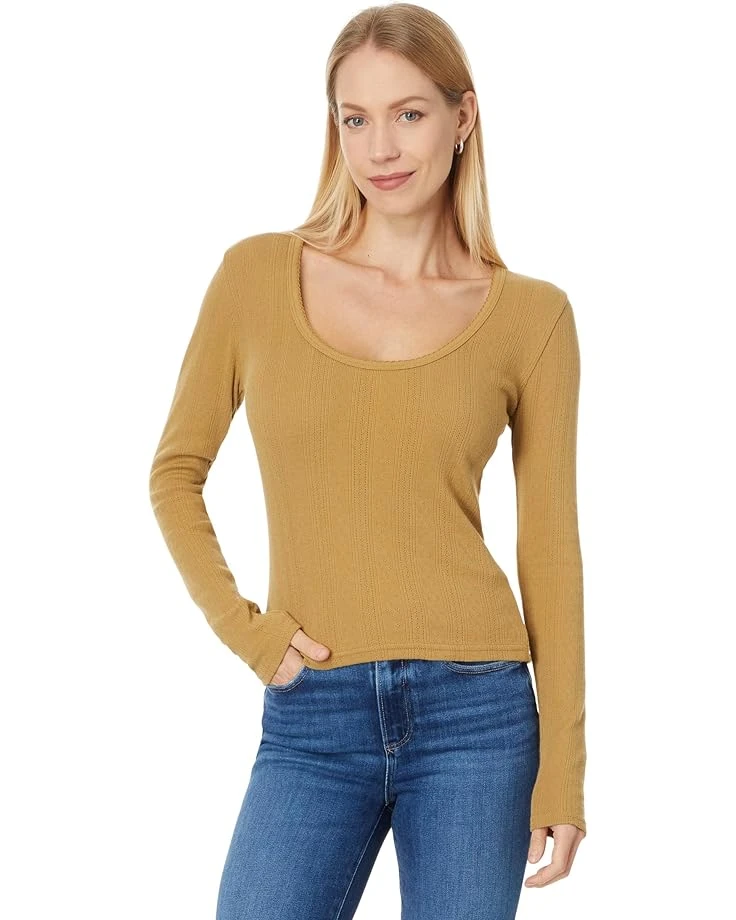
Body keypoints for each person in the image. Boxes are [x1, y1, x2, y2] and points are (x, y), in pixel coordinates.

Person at [148, 4, 587, 917]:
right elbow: (176, 472)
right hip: (312, 715)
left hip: (479, 718)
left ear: (463, 117)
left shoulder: (532, 316)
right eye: (356, 118)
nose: (380, 147)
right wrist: (247, 630)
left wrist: (565, 772)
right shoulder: (256, 277)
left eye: (409, 114)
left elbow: (550, 550)